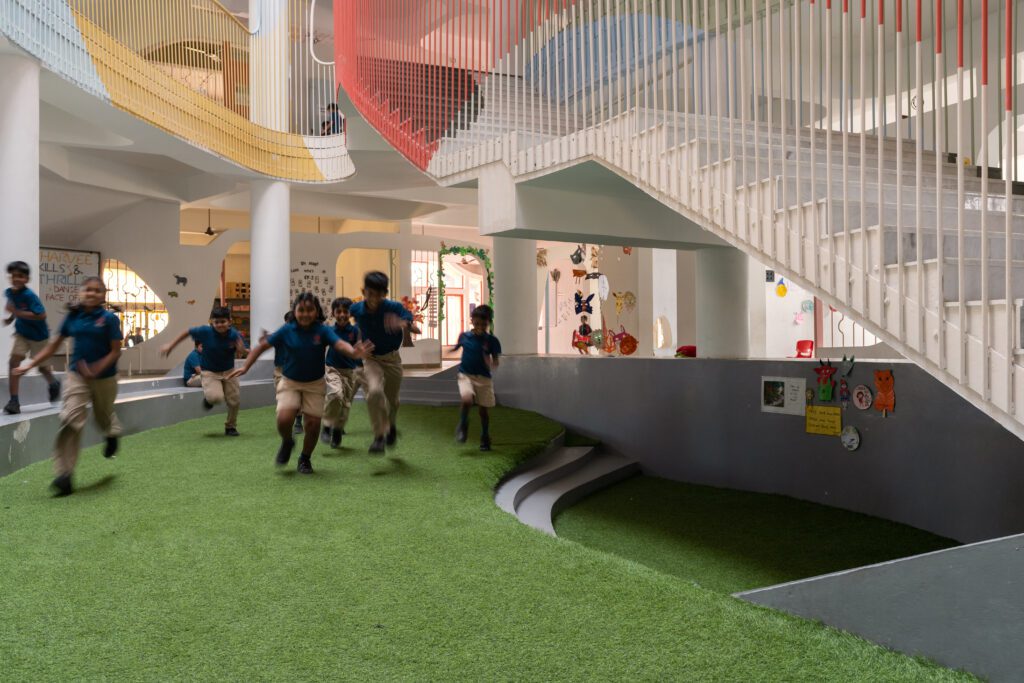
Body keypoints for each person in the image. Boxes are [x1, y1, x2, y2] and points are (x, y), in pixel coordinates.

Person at [229, 292, 372, 474]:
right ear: (295, 311)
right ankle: (288, 441)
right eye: (301, 310)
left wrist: (353, 352)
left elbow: (339, 344)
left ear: (316, 311)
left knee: (312, 425)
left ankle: (305, 458)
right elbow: (262, 346)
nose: (305, 314)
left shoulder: (322, 330)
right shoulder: (287, 329)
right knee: (284, 419)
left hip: (315, 384)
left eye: (310, 310)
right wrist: (246, 367)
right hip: (290, 382)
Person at [13, 276, 122, 496]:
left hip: (104, 378)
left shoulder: (109, 319)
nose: (91, 293)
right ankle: (64, 475)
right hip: (77, 376)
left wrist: (97, 368)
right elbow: (52, 346)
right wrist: (30, 365)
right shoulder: (72, 317)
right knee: (70, 419)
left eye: (96, 290)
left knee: (104, 415)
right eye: (87, 290)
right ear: (81, 292)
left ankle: (111, 434)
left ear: (103, 296)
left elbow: (115, 351)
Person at [349, 271, 420, 453]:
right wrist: (356, 344)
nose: (374, 299)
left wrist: (402, 324)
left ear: (385, 293)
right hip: (371, 359)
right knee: (373, 392)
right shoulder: (357, 309)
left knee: (393, 401)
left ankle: (392, 425)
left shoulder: (394, 307)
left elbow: (413, 326)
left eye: (379, 295)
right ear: (363, 291)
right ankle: (379, 436)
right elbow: (350, 325)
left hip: (392, 359)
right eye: (370, 294)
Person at [160, 306, 245, 436]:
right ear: (212, 323)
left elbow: (241, 350)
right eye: (216, 322)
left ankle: (230, 426)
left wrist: (240, 349)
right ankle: (208, 400)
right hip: (209, 372)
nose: (219, 325)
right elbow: (187, 332)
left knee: (235, 401)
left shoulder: (234, 334)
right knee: (215, 398)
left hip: (229, 371)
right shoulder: (205, 331)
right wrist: (171, 346)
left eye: (223, 322)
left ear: (229, 321)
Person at [4, 261, 60, 414]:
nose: (16, 279)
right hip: (22, 333)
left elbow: (41, 315)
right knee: (13, 363)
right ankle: (14, 401)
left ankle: (53, 383)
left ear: (27, 279)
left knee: (42, 368)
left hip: (38, 336)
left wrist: (17, 312)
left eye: (20, 276)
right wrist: (9, 319)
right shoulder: (9, 292)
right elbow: (12, 307)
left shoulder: (30, 296)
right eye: (14, 275)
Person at [450, 304, 501, 451]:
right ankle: (463, 425)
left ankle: (485, 436)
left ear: (488, 323)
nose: (480, 326)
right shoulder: (464, 336)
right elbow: (456, 347)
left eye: (484, 324)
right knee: (466, 399)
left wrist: (491, 361)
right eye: (477, 323)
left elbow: (495, 361)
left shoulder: (492, 341)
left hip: (484, 379)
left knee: (483, 411)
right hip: (465, 374)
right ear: (471, 321)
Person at [321, 297, 364, 448]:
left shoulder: (355, 331)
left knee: (345, 405)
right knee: (335, 394)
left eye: (345, 311)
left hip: (350, 372)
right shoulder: (329, 330)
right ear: (333, 313)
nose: (342, 314)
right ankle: (326, 426)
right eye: (338, 311)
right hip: (332, 369)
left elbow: (359, 349)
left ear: (350, 314)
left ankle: (337, 430)